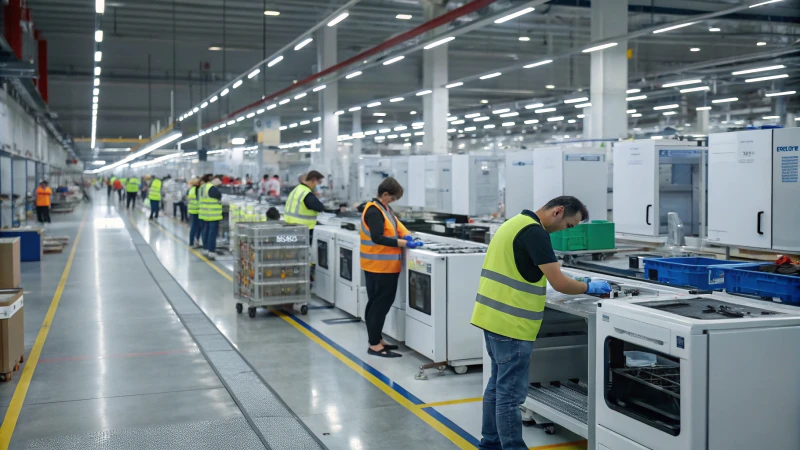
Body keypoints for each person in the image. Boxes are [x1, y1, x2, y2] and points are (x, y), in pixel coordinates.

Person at [471, 196, 611, 450]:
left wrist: (572, 279)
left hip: (491, 317)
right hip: (512, 324)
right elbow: (559, 283)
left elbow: (528, 270)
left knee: (497, 387)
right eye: (568, 225)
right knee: (510, 395)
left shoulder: (514, 222)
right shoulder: (535, 233)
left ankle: (490, 443)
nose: (565, 231)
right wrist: (588, 287)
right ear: (558, 212)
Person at [360, 177, 423, 358]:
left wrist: (409, 236)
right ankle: (374, 345)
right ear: (385, 194)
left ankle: (377, 339)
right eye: (393, 198)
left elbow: (396, 225)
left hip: (383, 266)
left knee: (378, 304)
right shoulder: (373, 211)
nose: (394, 201)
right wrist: (403, 243)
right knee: (379, 305)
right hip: (379, 267)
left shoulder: (384, 209)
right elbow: (377, 237)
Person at [284, 170, 325, 244]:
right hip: (302, 230)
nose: (317, 185)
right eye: (318, 182)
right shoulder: (306, 194)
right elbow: (320, 207)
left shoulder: (297, 189)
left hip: (291, 228)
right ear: (314, 180)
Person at [199, 174, 223, 260]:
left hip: (204, 214)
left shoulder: (202, 187)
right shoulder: (211, 188)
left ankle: (205, 248)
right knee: (212, 234)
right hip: (213, 215)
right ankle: (211, 251)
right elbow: (219, 195)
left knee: (205, 232)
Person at [187, 178, 204, 248]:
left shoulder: (190, 189)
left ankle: (192, 241)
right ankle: (195, 240)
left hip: (192, 210)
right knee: (199, 227)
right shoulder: (198, 190)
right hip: (197, 210)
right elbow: (200, 199)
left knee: (194, 227)